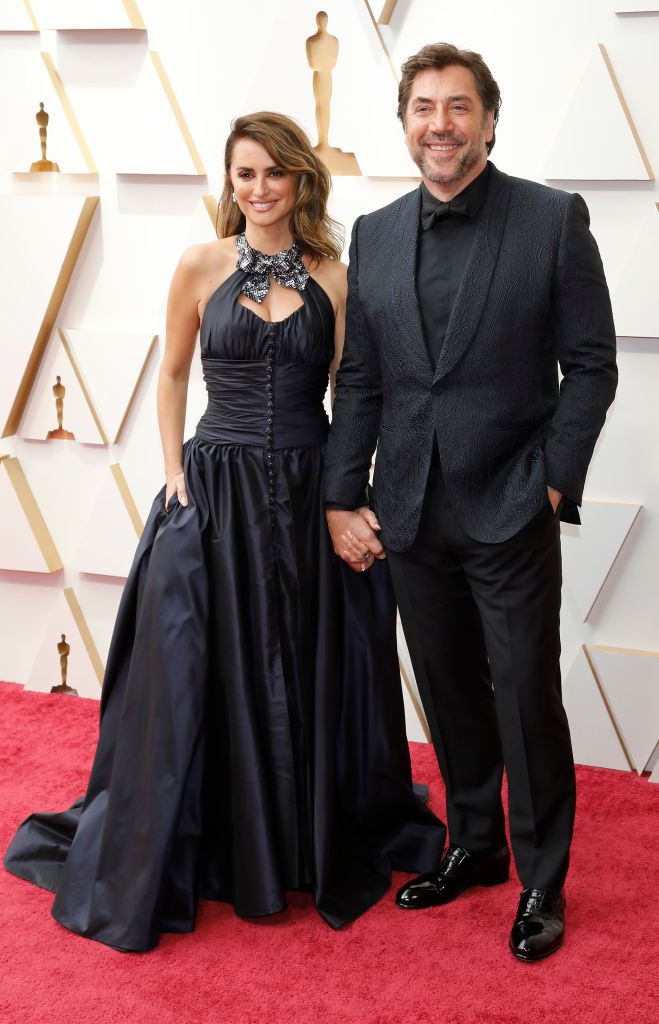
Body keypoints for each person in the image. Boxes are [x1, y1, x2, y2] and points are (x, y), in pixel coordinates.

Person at [4, 111, 445, 952]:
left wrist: (350, 494)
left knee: (306, 659)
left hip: (310, 488)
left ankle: (298, 836)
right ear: (229, 181)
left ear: (300, 180)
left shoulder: (336, 276)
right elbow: (172, 373)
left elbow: (357, 399)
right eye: (244, 173)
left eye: (275, 172)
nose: (259, 188)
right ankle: (218, 833)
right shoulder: (199, 264)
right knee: (206, 663)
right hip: (217, 486)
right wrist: (174, 471)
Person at [324, 43, 617, 962]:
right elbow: (362, 379)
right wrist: (342, 496)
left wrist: (554, 478)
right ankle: (475, 846)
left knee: (525, 693)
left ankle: (540, 880)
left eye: (457, 107)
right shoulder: (372, 231)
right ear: (404, 122)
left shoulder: (551, 219)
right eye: (422, 107)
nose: (438, 124)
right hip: (407, 506)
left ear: (489, 120)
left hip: (509, 501)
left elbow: (592, 365)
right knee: (448, 689)